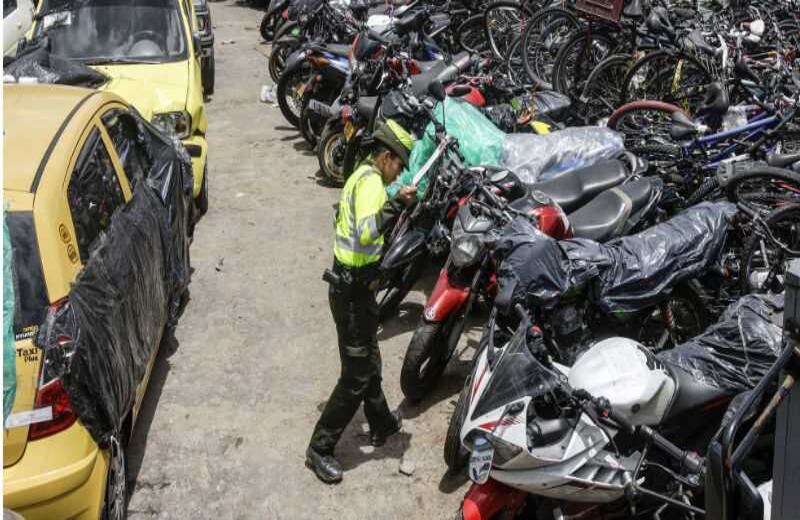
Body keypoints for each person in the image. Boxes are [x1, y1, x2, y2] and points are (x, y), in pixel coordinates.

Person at [306, 120, 417, 484]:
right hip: (351, 293)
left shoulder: (361, 175)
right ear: (386, 157)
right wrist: (396, 206)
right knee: (355, 374)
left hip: (354, 287)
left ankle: (381, 420)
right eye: (398, 165)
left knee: (369, 356)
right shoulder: (371, 184)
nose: (398, 172)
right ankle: (319, 448)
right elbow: (369, 230)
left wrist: (396, 198)